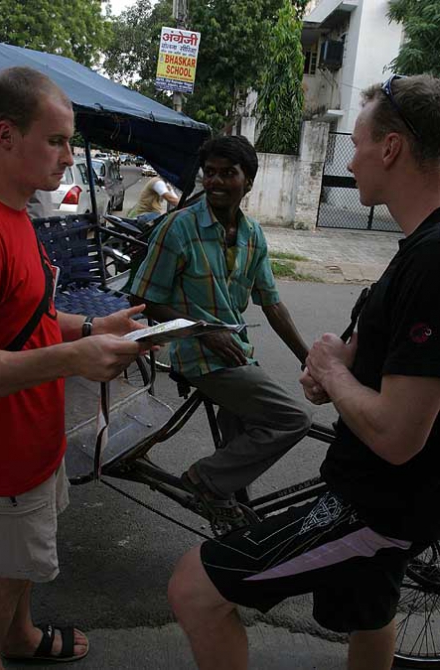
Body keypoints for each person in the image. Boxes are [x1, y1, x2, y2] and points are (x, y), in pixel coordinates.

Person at [167, 74, 440, 670]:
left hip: (374, 505)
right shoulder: (416, 246)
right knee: (372, 614)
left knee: (193, 587)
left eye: (358, 142)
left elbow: (397, 434)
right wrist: (341, 364)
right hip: (392, 497)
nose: (354, 156)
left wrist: (330, 373)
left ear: (391, 148)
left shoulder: (432, 258)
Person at [0, 67, 150, 669]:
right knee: (4, 573)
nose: (67, 157)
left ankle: (19, 635)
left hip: (35, 441)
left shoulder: (19, 215)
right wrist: (74, 358)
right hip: (3, 458)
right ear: (5, 135)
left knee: (22, 567)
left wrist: (92, 329)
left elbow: (28, 318)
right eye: (55, 140)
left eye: (69, 141)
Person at [131, 135, 311, 528]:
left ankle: (233, 528)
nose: (214, 181)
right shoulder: (178, 228)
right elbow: (144, 296)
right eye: (209, 173)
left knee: (241, 441)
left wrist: (307, 357)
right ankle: (205, 479)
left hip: (235, 351)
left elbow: (272, 302)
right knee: (293, 419)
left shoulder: (253, 236)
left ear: (248, 181)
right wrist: (203, 332)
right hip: (195, 353)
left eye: (227, 173)